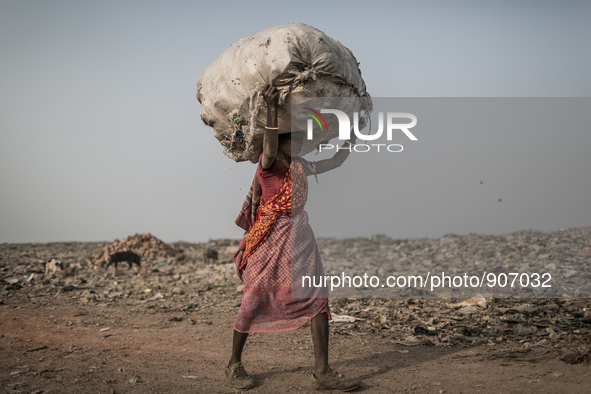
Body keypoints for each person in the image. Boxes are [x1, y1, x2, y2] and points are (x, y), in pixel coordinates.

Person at [226, 84, 361, 391]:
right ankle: (234, 364)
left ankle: (322, 372)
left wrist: (353, 134)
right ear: (282, 138)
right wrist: (273, 110)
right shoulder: (269, 166)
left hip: (301, 240)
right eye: (296, 138)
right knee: (254, 299)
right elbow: (270, 147)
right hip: (270, 241)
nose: (301, 143)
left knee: (317, 299)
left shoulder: (302, 165)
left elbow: (337, 161)